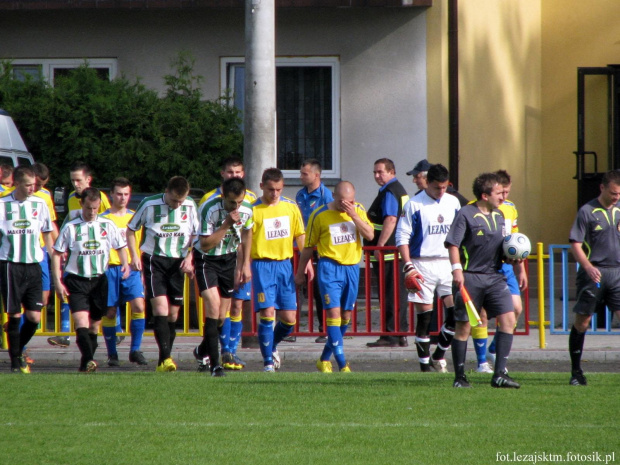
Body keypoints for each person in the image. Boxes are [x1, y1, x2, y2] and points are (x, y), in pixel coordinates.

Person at [445, 172, 521, 389]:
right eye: (498, 193)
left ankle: (499, 375)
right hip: (470, 277)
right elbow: (452, 244)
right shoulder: (465, 214)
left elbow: (500, 247)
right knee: (464, 327)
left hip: (495, 277)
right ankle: (460, 377)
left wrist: (511, 257)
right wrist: (457, 270)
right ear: (485, 195)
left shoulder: (499, 216)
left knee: (508, 319)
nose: (502, 196)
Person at [295, 181, 373, 372]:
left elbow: (370, 235)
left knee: (346, 316)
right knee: (333, 314)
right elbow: (308, 247)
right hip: (329, 267)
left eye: (351, 201)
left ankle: (323, 359)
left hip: (352, 268)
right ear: (334, 197)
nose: (346, 205)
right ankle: (342, 363)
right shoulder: (319, 214)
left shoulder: (358, 209)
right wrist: (300, 272)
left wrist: (353, 214)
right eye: (343, 201)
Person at [51, 187, 128, 372]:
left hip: (99, 280)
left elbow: (121, 246)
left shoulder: (107, 225)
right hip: (76, 280)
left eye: (95, 208)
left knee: (94, 326)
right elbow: (56, 254)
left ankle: (86, 363)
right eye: (88, 208)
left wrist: (125, 263)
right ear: (81, 204)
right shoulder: (71, 227)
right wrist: (57, 280)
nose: (92, 212)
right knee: (81, 322)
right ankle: (89, 360)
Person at [127, 176, 198, 372]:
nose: (177, 205)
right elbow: (131, 229)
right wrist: (134, 255)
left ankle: (162, 360)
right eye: (174, 200)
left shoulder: (190, 206)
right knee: (160, 309)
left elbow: (197, 234)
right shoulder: (149, 204)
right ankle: (166, 358)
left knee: (173, 314)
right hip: (154, 259)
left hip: (178, 262)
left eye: (181, 201)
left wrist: (190, 258)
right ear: (167, 191)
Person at [396, 163, 461, 373]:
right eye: (436, 187)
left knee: (455, 313)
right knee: (425, 317)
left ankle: (439, 354)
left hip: (446, 263)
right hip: (421, 264)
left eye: (444, 187)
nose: (441, 191)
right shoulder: (414, 205)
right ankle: (424, 367)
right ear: (427, 183)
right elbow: (402, 237)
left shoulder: (453, 203)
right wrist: (408, 266)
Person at [196, 157, 257, 371]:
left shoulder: (248, 208)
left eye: (240, 203)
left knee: (221, 317)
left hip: (229, 259)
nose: (237, 208)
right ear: (224, 195)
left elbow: (248, 233)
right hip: (207, 260)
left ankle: (201, 350)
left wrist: (245, 264)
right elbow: (204, 244)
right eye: (232, 203)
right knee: (212, 307)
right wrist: (226, 224)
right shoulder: (208, 208)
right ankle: (215, 366)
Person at [47, 161, 111, 348]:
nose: (75, 184)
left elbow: (106, 223)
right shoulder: (72, 199)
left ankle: (113, 332)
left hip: (98, 263)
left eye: (78, 180)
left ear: (88, 179)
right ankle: (68, 334)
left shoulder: (100, 197)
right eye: (73, 180)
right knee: (73, 298)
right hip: (77, 262)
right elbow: (70, 222)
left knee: (102, 309)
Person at [250, 168, 308, 372]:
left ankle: (271, 345)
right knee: (267, 313)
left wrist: (306, 260)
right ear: (262, 187)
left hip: (285, 265)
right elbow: (245, 241)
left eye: (278, 189)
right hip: (262, 265)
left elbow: (300, 234)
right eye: (271, 189)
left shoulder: (290, 207)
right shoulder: (253, 209)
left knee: (289, 320)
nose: (275, 194)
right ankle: (267, 363)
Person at [568, 169, 620, 386]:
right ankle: (576, 372)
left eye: (619, 194)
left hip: (617, 273)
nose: (617, 198)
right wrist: (588, 267)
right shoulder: (587, 211)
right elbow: (575, 243)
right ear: (602, 188)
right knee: (583, 321)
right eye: (613, 193)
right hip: (594, 274)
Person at [0, 166, 54, 373]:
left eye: (34, 184)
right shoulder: (3, 204)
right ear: (16, 183)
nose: (33, 188)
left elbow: (48, 233)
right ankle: (15, 363)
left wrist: (52, 256)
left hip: (34, 265)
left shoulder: (40, 204)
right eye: (28, 184)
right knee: (14, 314)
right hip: (10, 264)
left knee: (34, 317)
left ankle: (18, 350)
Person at [100, 178, 148, 367]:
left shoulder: (134, 216)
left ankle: (135, 350)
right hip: (110, 268)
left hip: (132, 268)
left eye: (126, 194)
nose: (122, 198)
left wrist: (140, 265)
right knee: (110, 312)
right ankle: (112, 354)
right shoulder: (103, 218)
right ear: (111, 194)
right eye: (119, 194)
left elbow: (138, 244)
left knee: (139, 306)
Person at [365, 158, 410, 348]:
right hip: (395, 253)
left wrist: (379, 245)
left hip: (388, 254)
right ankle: (400, 334)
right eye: (374, 172)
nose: (376, 176)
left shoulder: (391, 191)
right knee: (397, 295)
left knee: (390, 295)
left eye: (380, 172)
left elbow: (391, 219)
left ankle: (390, 335)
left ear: (392, 172)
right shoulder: (396, 190)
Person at [486, 170, 527, 369]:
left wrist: (522, 270)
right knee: (483, 314)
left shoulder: (511, 208)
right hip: (485, 266)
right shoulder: (479, 207)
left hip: (507, 266)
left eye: (508, 191)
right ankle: (480, 361)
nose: (505, 196)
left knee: (517, 309)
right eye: (502, 191)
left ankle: (494, 349)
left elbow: (515, 241)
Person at [296, 158, 334, 343]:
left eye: (305, 173)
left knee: (321, 289)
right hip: (303, 247)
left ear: (316, 175)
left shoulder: (326, 196)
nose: (301, 177)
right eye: (301, 173)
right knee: (297, 286)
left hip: (320, 248)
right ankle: (292, 329)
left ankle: (324, 329)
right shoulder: (300, 194)